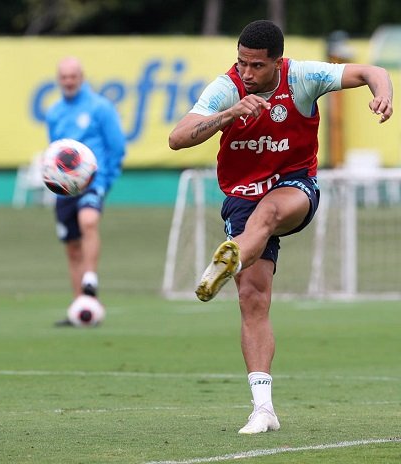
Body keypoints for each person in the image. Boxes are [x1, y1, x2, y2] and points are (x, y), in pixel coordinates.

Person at [169, 20, 393, 434]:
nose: (246, 72)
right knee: (252, 299)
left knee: (268, 215)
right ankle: (263, 409)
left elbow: (370, 71)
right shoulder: (227, 88)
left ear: (277, 62)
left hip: (294, 187)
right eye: (241, 62)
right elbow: (177, 138)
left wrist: (383, 94)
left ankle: (231, 257)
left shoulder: (303, 77)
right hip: (242, 195)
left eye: (256, 65)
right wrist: (228, 114)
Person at [45, 56, 127, 325]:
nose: (69, 81)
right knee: (72, 248)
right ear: (59, 80)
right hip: (64, 188)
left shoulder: (100, 107)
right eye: (64, 77)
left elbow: (116, 146)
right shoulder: (54, 112)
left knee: (88, 221)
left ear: (81, 77)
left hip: (93, 180)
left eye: (73, 76)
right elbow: (55, 151)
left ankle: (90, 278)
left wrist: (106, 179)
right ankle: (81, 307)